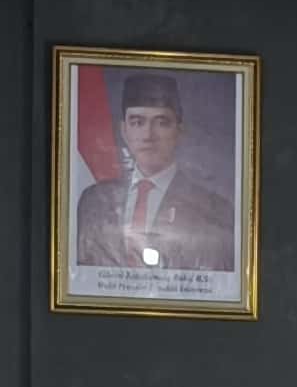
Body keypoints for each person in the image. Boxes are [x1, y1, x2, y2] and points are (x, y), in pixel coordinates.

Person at [68, 71, 238, 276]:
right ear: (124, 131)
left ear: (180, 131)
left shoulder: (213, 210)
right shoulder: (94, 202)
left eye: (161, 122)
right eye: (137, 122)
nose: (148, 135)